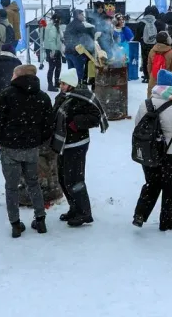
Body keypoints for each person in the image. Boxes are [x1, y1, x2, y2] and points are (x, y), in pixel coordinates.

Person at [0, 64, 54, 238]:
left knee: (11, 187)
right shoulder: (43, 97)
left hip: (9, 148)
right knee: (33, 183)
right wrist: (37, 140)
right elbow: (49, 125)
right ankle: (40, 219)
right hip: (31, 148)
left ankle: (15, 224)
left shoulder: (7, 95)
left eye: (13, 74)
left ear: (18, 76)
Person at [132, 70, 172, 231]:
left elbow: (137, 126)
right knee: (170, 188)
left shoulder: (145, 104)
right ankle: (167, 221)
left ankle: (140, 213)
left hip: (150, 151)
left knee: (152, 183)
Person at [53, 68, 108, 227]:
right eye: (61, 83)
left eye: (63, 83)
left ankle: (84, 212)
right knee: (63, 178)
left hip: (77, 144)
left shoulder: (82, 97)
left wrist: (76, 123)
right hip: (64, 144)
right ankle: (74, 207)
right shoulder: (63, 96)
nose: (61, 86)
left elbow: (95, 117)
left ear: (70, 84)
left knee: (74, 179)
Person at [63, 9, 96, 84]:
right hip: (76, 53)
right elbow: (85, 38)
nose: (83, 16)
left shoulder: (69, 25)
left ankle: (72, 89)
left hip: (68, 52)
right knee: (79, 75)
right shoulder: (79, 25)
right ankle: (79, 90)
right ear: (78, 15)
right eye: (82, 14)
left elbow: (65, 38)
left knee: (71, 74)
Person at [147, 31, 172, 97]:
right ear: (168, 40)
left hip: (154, 80)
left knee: (152, 101)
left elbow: (149, 67)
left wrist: (152, 77)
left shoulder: (152, 51)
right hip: (167, 82)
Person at [42, 13, 65, 92]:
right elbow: (52, 40)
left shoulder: (52, 26)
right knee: (52, 67)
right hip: (52, 49)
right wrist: (53, 51)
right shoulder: (53, 28)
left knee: (58, 66)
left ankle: (56, 82)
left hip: (54, 49)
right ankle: (50, 85)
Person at [138, 7, 159, 83]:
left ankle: (146, 76)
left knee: (146, 60)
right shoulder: (157, 22)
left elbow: (137, 36)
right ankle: (154, 75)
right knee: (154, 60)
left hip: (144, 44)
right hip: (155, 45)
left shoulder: (141, 22)